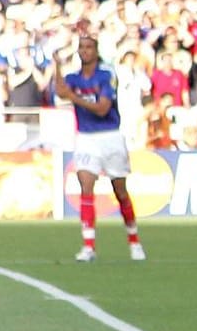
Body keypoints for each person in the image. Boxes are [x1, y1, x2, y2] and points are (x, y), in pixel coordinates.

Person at [56, 35, 144, 263]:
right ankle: (88, 246)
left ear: (96, 51)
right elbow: (59, 91)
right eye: (81, 48)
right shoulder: (73, 77)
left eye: (88, 48)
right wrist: (56, 65)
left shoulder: (106, 75)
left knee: (120, 191)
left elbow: (103, 109)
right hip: (85, 137)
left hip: (110, 136)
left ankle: (134, 241)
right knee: (86, 186)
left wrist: (73, 97)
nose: (85, 51)